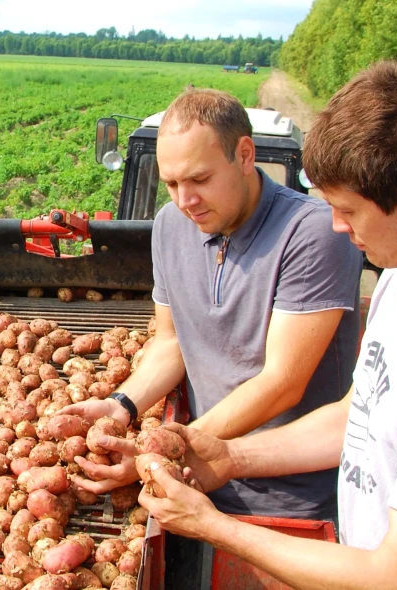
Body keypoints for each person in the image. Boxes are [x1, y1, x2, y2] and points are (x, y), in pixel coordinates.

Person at [137, 60, 397, 589]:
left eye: (349, 210)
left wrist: (215, 526)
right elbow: (355, 418)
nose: (337, 226)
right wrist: (229, 456)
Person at [60, 87, 362, 521]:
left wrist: (158, 452)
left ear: (243, 155)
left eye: (199, 180)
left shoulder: (310, 232)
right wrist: (122, 405)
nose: (185, 201)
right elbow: (171, 341)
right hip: (195, 480)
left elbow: (282, 381)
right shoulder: (169, 225)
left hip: (290, 502)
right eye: (171, 184)